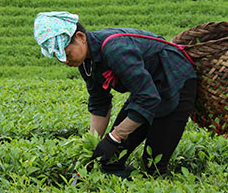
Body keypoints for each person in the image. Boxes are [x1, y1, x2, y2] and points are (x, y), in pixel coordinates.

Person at [34, 11, 197, 176]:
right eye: (59, 57)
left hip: (175, 80)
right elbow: (100, 102)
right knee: (109, 160)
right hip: (146, 89)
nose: (65, 61)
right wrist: (93, 146)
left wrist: (115, 137)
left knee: (153, 165)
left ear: (81, 37)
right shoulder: (85, 64)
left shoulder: (115, 50)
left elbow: (148, 98)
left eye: (66, 54)